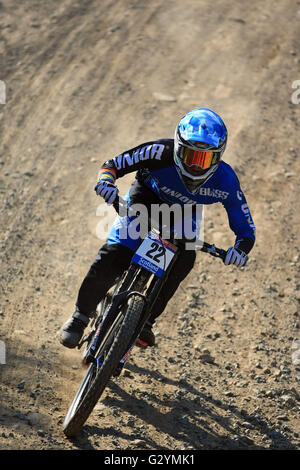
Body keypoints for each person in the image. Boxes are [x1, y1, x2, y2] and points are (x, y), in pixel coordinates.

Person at [60, 108, 255, 349]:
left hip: (184, 212)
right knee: (116, 253)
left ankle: (146, 321)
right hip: (146, 197)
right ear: (177, 146)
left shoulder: (226, 180)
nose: (194, 165)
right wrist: (106, 182)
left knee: (184, 259)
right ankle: (80, 316)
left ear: (218, 157)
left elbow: (245, 228)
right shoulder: (159, 152)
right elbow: (112, 165)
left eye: (203, 159)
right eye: (189, 155)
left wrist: (240, 249)